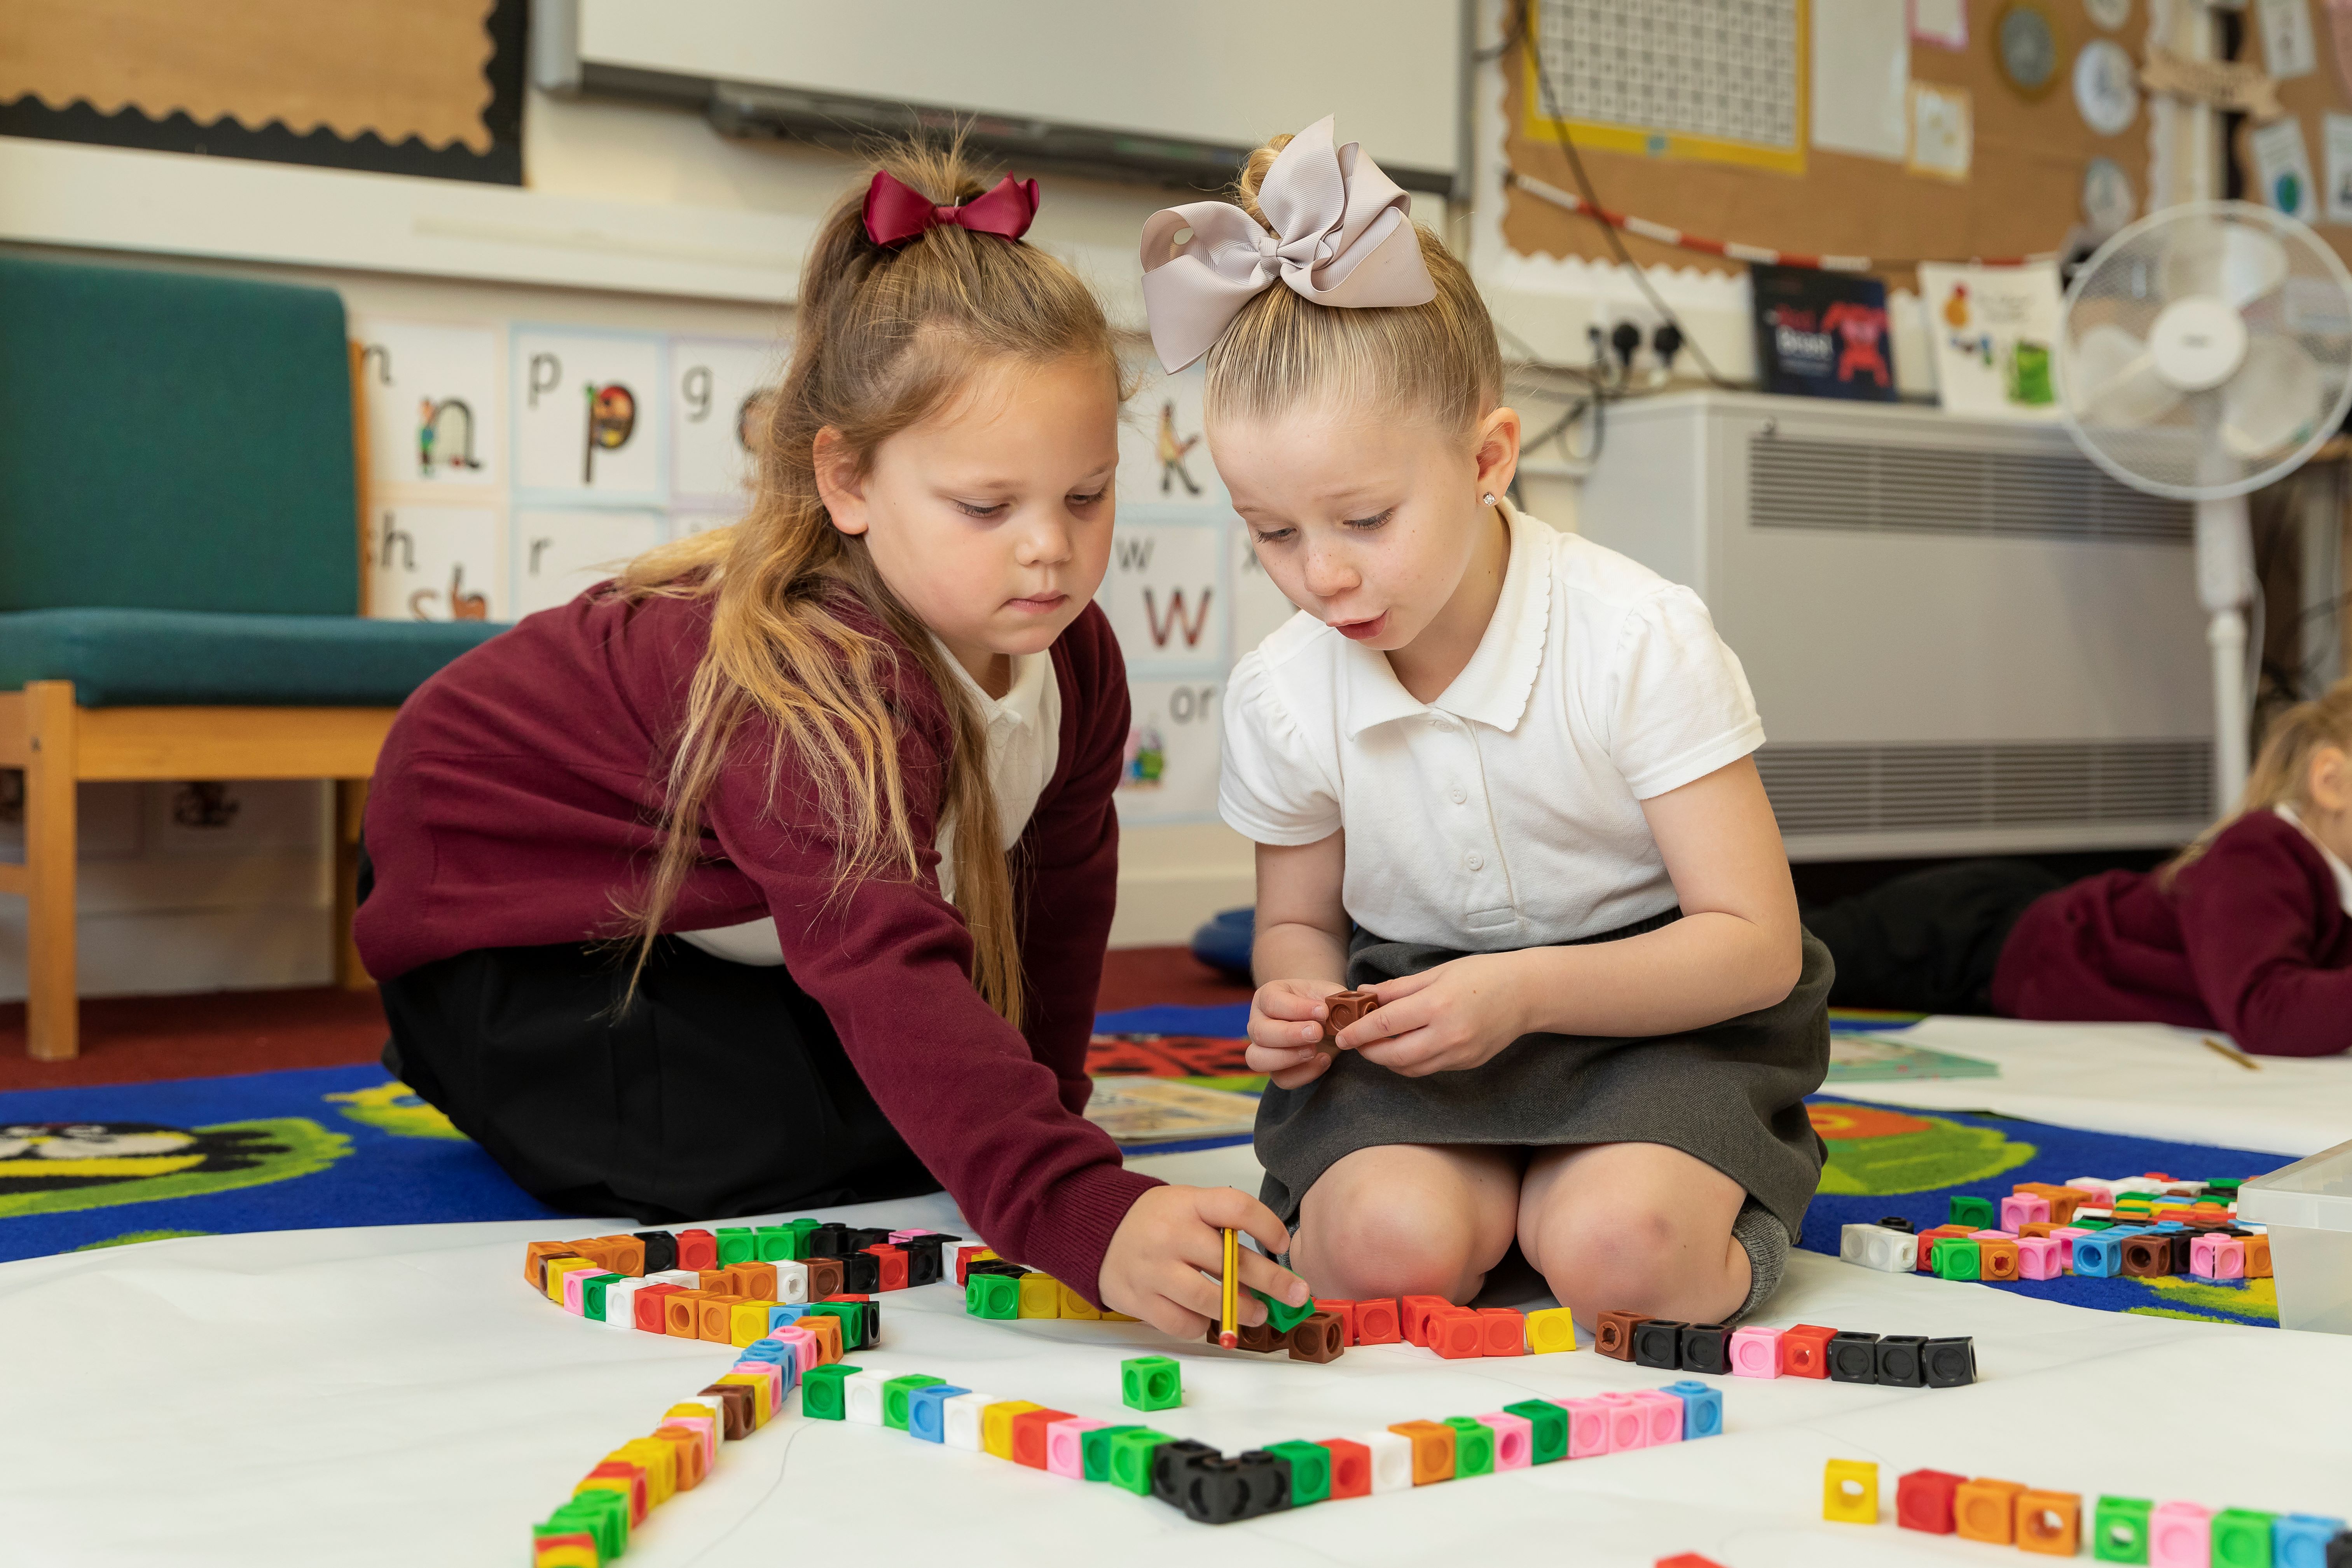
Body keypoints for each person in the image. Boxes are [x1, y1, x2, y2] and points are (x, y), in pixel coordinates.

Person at [355, 144, 1307, 1335]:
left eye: (1084, 496)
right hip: (515, 934)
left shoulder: (1078, 652)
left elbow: (1058, 899)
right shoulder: (819, 676)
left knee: (929, 1102)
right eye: (986, 506)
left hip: (719, 930)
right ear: (848, 483)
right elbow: (879, 958)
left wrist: (1058, 1130)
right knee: (818, 1142)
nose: (1049, 551)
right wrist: (1076, 1212)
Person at [1141, 119, 1828, 1328]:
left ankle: (1685, 1200)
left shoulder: (1634, 636)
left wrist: (1521, 994)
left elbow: (1754, 945)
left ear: (1487, 458)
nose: (1322, 577)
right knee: (1378, 1251)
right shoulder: (1281, 689)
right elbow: (1298, 920)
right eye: (1274, 532)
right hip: (1411, 1025)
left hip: (1649, 1013)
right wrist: (1296, 1001)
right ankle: (1495, 1202)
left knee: (1623, 1258)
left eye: (1363, 518)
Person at [1806, 679, 2352, 1057]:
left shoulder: (2329, 885)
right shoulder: (2261, 852)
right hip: (1982, 935)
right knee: (1797, 958)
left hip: (2032, 932)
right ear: (2330, 781)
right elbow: (2268, 1012)